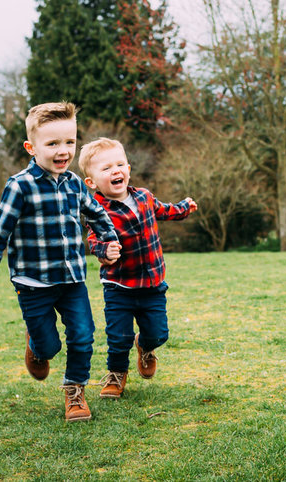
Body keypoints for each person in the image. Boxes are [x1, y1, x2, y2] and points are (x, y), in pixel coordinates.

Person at [0, 102, 119, 422]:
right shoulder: (19, 186)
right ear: (31, 147)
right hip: (33, 283)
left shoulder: (75, 184)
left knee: (83, 335)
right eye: (52, 144)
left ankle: (75, 393)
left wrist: (107, 244)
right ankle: (37, 345)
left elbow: (97, 214)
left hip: (72, 279)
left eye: (69, 142)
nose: (63, 150)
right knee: (49, 347)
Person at [77, 137, 197, 399]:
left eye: (119, 164)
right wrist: (103, 251)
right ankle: (116, 374)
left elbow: (164, 210)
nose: (115, 171)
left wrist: (184, 208)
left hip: (153, 285)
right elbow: (94, 240)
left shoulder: (144, 196)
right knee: (117, 337)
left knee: (159, 333)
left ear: (128, 169)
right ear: (92, 182)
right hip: (119, 287)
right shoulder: (96, 210)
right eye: (106, 168)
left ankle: (145, 345)